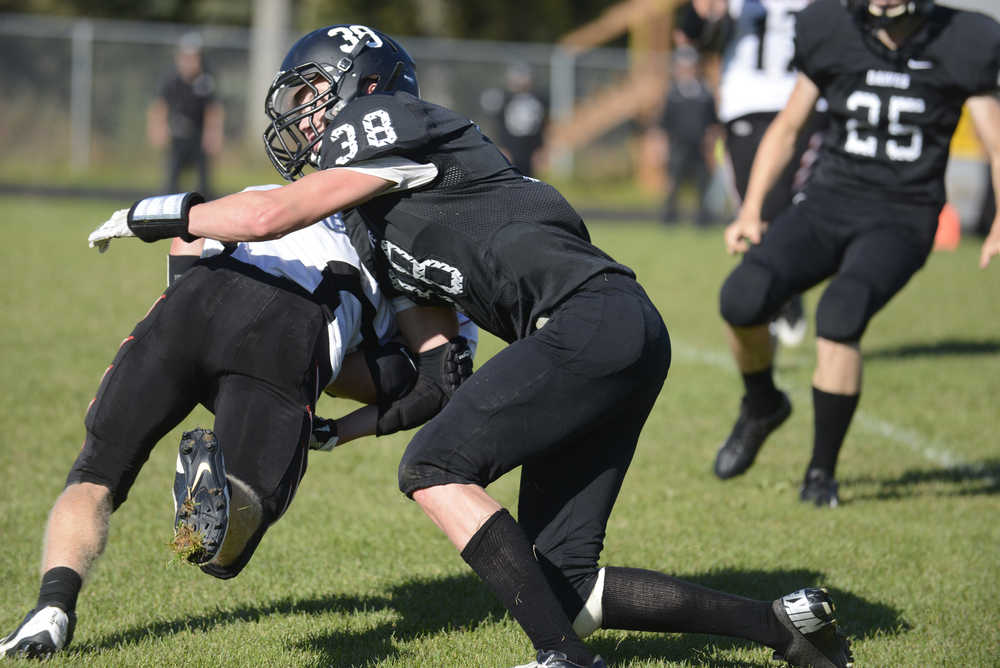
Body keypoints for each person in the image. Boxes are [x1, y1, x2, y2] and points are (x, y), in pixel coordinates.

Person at [84, 25, 856, 667]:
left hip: (585, 318)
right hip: (608, 333)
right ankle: (783, 628)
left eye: (314, 95)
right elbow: (442, 375)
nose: (304, 117)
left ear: (365, 88)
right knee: (563, 582)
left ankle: (560, 658)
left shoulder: (387, 126)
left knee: (432, 469)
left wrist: (156, 214)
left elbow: (267, 216)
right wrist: (341, 427)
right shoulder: (378, 224)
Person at [0, 191, 475, 659]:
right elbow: (427, 384)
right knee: (226, 545)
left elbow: (187, 232)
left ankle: (50, 610)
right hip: (288, 327)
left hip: (194, 296)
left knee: (94, 472)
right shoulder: (414, 249)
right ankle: (217, 499)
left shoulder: (279, 194)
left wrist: (181, 335)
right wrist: (336, 422)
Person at [714, 0, 1000, 507]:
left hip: (903, 216)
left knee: (840, 312)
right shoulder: (831, 28)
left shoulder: (963, 39)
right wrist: (752, 207)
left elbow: (995, 142)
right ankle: (762, 404)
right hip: (828, 202)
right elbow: (787, 126)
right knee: (741, 297)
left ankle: (821, 472)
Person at [682, 0, 827, 345]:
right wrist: (704, 12)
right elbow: (692, 35)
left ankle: (781, 293)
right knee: (752, 211)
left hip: (802, 102)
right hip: (745, 103)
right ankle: (771, 298)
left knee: (787, 209)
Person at [147, 33, 225, 198]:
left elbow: (213, 109)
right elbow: (160, 106)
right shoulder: (171, 80)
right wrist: (158, 129)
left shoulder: (206, 81)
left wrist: (212, 134)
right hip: (177, 133)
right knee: (171, 178)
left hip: (198, 133)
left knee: (204, 180)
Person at [658, 45, 722, 226]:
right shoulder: (673, 94)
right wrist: (662, 147)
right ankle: (669, 216)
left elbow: (713, 123)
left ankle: (702, 218)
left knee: (702, 182)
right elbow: (664, 123)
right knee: (674, 181)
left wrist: (712, 144)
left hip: (700, 145)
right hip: (678, 144)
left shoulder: (704, 93)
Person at [480, 63, 548, 177]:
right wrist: (501, 147)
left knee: (529, 182)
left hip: (530, 149)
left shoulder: (538, 99)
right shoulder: (504, 99)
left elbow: (542, 126)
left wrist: (541, 149)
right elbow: (498, 125)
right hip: (511, 148)